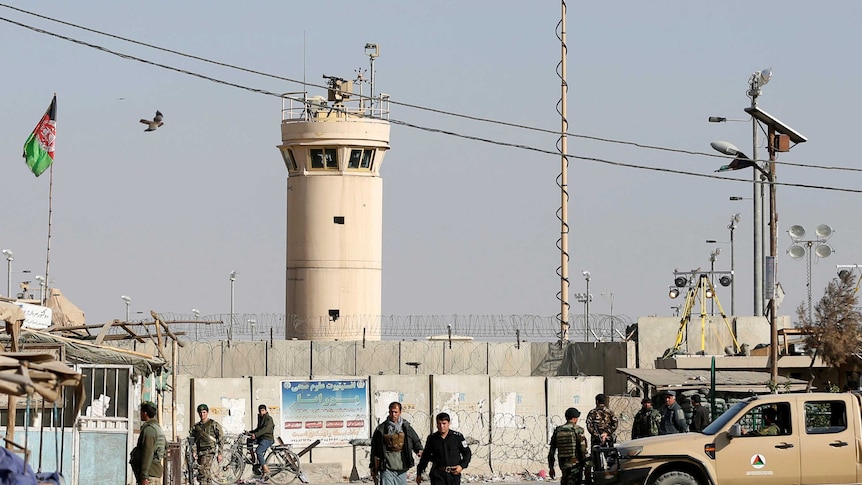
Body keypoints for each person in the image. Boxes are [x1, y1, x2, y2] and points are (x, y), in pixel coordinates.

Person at [370, 402, 424, 485]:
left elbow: (414, 440)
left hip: (401, 467)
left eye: (396, 412)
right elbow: (374, 449)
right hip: (386, 467)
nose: (393, 414)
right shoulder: (381, 429)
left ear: (400, 412)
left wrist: (419, 450)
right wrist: (373, 467)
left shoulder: (406, 427)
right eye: (391, 412)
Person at [416, 413, 472, 485]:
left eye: (444, 423)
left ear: (449, 423)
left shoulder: (457, 437)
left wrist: (461, 466)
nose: (441, 426)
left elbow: (467, 453)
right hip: (437, 475)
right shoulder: (432, 439)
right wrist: (419, 473)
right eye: (439, 424)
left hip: (453, 475)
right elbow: (425, 457)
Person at [548, 408, 587, 485]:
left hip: (563, 464)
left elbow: (552, 451)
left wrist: (551, 467)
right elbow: (583, 450)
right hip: (576, 465)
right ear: (574, 418)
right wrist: (587, 464)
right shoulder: (578, 430)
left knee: (565, 480)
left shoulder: (558, 430)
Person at [130, 401, 166, 485]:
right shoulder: (158, 428)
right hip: (155, 472)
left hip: (150, 474)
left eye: (141, 412)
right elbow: (165, 446)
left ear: (145, 413)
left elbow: (147, 453)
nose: (140, 414)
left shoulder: (149, 430)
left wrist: (144, 476)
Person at [190, 403, 224, 484]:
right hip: (200, 452)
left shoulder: (213, 424)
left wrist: (220, 453)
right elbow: (193, 440)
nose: (202, 414)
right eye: (200, 412)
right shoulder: (196, 427)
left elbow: (221, 438)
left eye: (204, 412)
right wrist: (194, 451)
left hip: (209, 451)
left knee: (203, 473)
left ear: (207, 413)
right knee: (206, 474)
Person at [249, 403, 275, 476]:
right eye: (260, 411)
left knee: (259, 451)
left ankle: (265, 467)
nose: (261, 412)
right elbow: (258, 429)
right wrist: (250, 433)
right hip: (261, 438)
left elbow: (265, 429)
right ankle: (253, 457)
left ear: (266, 411)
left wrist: (256, 435)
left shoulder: (269, 418)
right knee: (249, 440)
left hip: (267, 439)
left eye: (263, 411)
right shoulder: (260, 418)